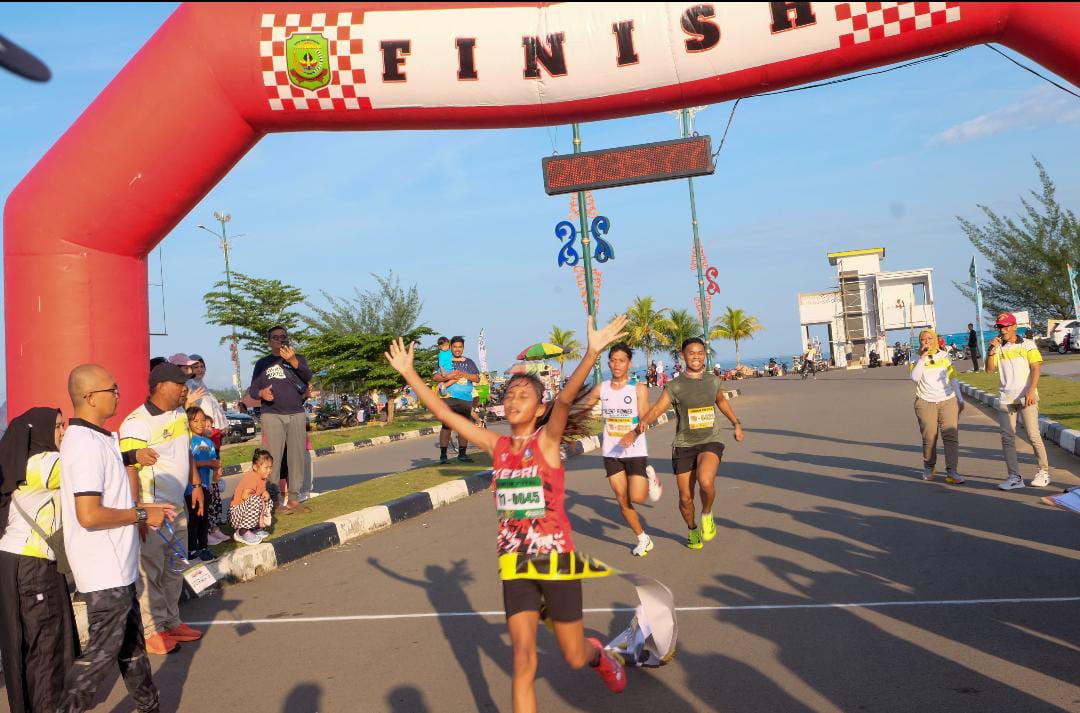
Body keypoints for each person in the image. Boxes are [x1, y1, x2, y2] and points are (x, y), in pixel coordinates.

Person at [385, 317, 631, 711]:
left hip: (555, 561)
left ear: (540, 408)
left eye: (524, 395)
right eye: (510, 394)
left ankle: (599, 656)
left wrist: (591, 353)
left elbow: (564, 401)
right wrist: (409, 373)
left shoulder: (547, 442)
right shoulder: (496, 446)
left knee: (573, 654)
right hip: (515, 564)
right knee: (522, 660)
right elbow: (447, 414)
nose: (514, 400)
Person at [55, 364, 174, 713]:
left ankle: (149, 706)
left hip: (118, 566)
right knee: (101, 656)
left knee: (132, 650)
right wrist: (142, 514)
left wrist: (132, 459)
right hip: (103, 569)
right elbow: (89, 514)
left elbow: (108, 481)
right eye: (113, 389)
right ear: (90, 397)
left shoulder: (98, 438)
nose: (119, 394)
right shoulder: (84, 444)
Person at [622, 338, 745, 549]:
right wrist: (637, 429)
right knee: (686, 498)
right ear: (683, 356)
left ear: (705, 355)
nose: (696, 356)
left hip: (710, 440)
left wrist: (736, 423)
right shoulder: (675, 385)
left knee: (706, 481)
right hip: (684, 444)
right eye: (691, 353)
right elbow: (657, 410)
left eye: (700, 353)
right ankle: (692, 529)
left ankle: (707, 513)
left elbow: (721, 401)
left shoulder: (713, 381)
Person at [119, 362, 205, 655]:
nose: (185, 389)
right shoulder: (136, 423)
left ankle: (171, 621)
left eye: (186, 384)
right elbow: (129, 469)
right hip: (152, 510)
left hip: (177, 505)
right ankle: (152, 630)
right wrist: (138, 511)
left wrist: (196, 484)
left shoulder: (179, 413)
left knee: (175, 567)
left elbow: (185, 451)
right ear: (160, 387)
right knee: (151, 570)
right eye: (179, 384)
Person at [0, 408, 79, 713]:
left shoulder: (20, 462)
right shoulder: (42, 464)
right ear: (41, 431)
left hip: (17, 561)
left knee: (29, 644)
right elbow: (87, 465)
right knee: (46, 647)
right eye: (58, 426)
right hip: (32, 565)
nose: (64, 431)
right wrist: (132, 454)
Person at [581, 344, 662, 557]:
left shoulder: (638, 388)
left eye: (621, 360)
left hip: (634, 449)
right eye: (613, 360)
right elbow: (582, 409)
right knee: (621, 498)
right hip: (611, 451)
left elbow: (645, 418)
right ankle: (643, 539)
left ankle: (649, 476)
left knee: (637, 497)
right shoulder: (601, 388)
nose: (616, 364)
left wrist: (633, 434)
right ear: (608, 363)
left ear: (629, 364)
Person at [249, 326, 313, 513]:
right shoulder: (262, 363)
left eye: (283, 337)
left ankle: (294, 499)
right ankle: (274, 501)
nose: (280, 340)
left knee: (297, 457)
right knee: (272, 459)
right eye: (275, 337)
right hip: (272, 414)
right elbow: (253, 389)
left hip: (296, 413)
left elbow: (308, 376)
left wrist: (293, 361)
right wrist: (261, 393)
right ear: (269, 341)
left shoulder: (298, 358)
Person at [985, 312, 1051, 490]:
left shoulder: (1028, 344)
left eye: (1005, 326)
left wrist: (1031, 391)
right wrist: (991, 351)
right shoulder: (998, 347)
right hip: (1006, 399)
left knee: (1033, 435)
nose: (1002, 330)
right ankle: (1014, 477)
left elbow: (1035, 368)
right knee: (1007, 438)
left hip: (1026, 397)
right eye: (999, 327)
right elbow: (989, 370)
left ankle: (1043, 472)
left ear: (1014, 326)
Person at [910, 330, 965, 484]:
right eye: (923, 339)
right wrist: (922, 357)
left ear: (935, 340)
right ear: (920, 342)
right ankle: (929, 467)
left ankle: (952, 471)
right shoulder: (915, 357)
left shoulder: (944, 356)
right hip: (925, 401)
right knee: (929, 437)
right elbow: (914, 377)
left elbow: (953, 378)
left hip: (947, 400)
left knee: (950, 436)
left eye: (930, 338)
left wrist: (960, 399)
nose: (927, 341)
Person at [432, 336, 480, 464]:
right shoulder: (444, 359)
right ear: (450, 347)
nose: (457, 349)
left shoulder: (469, 362)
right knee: (446, 427)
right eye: (455, 347)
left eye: (460, 347)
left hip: (466, 399)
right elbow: (435, 377)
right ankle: (443, 456)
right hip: (448, 399)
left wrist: (463, 374)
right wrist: (449, 376)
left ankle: (462, 454)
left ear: (463, 348)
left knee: (464, 427)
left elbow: (477, 378)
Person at [187, 407, 224, 555]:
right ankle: (191, 550)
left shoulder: (209, 442)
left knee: (204, 519)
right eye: (195, 421)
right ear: (188, 422)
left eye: (203, 420)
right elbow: (189, 463)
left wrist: (217, 471)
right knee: (193, 520)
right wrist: (209, 463)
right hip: (191, 489)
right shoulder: (187, 441)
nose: (200, 424)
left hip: (206, 487)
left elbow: (214, 462)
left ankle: (203, 547)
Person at [231, 450, 275, 545]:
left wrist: (265, 493)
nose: (269, 470)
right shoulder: (253, 477)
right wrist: (261, 499)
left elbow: (260, 492)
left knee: (268, 501)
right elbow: (245, 496)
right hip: (235, 515)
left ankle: (255, 528)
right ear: (255, 467)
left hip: (243, 512)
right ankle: (242, 532)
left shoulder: (262, 478)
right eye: (266, 468)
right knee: (256, 500)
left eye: (270, 467)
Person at [185, 354, 228, 451]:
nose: (200, 369)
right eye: (196, 367)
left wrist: (224, 424)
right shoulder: (188, 385)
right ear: (189, 369)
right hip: (203, 433)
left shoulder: (202, 385)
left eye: (202, 366)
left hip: (213, 433)